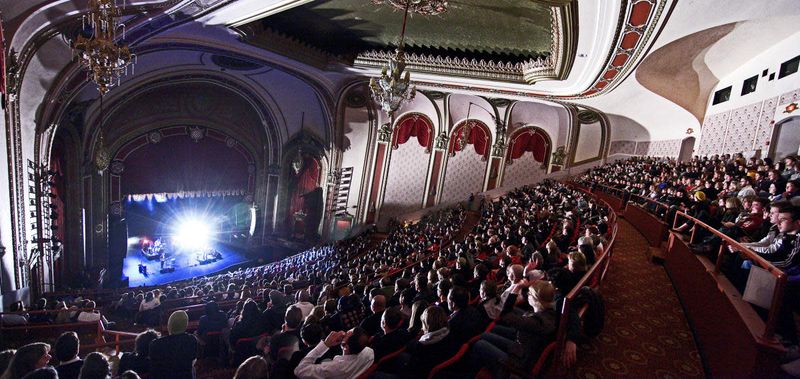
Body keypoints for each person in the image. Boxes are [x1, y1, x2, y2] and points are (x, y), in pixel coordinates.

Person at [401, 306, 460, 378]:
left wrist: (418, 338)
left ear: (426, 323)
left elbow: (413, 367)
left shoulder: (422, 345)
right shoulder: (451, 334)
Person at [293, 328, 374, 379]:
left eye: (346, 334)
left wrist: (325, 344)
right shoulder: (369, 352)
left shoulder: (334, 367)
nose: (343, 333)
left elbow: (299, 371)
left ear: (346, 346)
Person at [149, 311, 197, 379]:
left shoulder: (155, 344)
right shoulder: (191, 339)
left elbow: (153, 366)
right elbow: (193, 361)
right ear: (185, 325)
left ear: (169, 325)